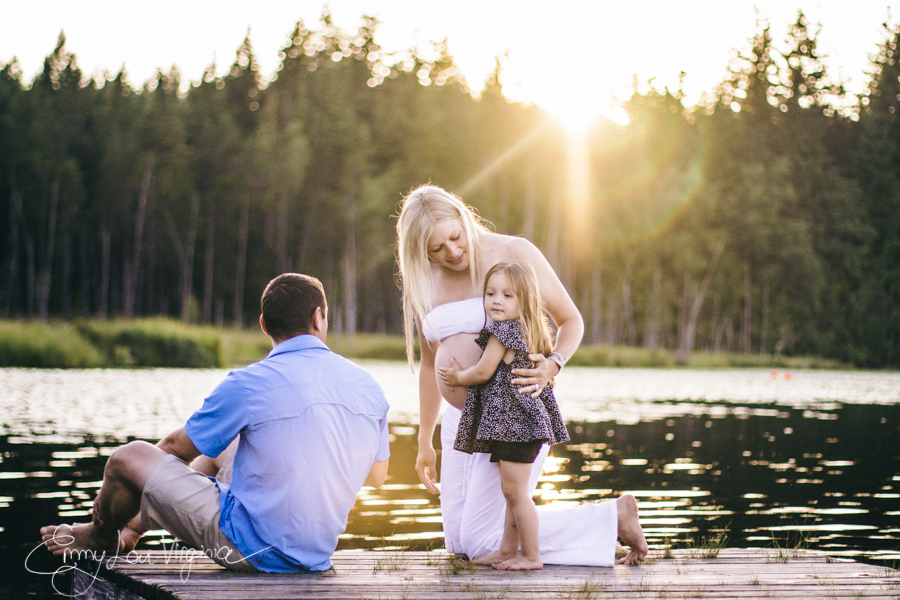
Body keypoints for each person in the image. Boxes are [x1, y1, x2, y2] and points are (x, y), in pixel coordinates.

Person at [40, 273, 391, 573]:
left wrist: (141, 483)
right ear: (319, 318)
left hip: (250, 547)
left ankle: (102, 534)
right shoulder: (369, 387)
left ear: (264, 325)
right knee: (224, 447)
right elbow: (376, 478)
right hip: (316, 553)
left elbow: (176, 449)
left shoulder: (250, 383)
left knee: (128, 459)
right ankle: (131, 530)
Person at [396, 184, 648, 567]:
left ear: (465, 220)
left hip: (513, 413)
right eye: (436, 249)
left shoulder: (513, 254)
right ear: (420, 251)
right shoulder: (423, 279)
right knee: (459, 544)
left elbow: (570, 320)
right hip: (460, 420)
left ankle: (611, 517)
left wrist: (553, 363)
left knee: (482, 540)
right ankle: (586, 538)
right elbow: (432, 365)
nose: (452, 252)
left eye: (455, 237)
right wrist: (423, 440)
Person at [439, 261, 570, 570]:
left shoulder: (504, 332)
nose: (496, 300)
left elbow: (483, 371)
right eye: (490, 293)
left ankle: (531, 555)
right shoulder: (527, 329)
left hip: (516, 426)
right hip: (517, 425)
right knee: (513, 493)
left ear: (524, 300)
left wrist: (458, 377)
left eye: (507, 295)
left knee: (516, 494)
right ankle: (507, 549)